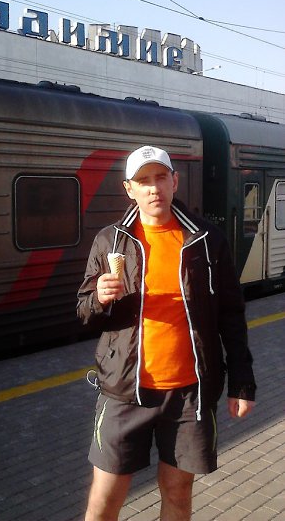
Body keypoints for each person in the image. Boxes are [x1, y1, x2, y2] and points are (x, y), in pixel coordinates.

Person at [77, 145, 256, 521]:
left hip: (189, 394)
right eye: (143, 180)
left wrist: (241, 381)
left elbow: (231, 314)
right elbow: (84, 313)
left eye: (161, 177)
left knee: (177, 491)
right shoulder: (111, 241)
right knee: (105, 499)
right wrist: (98, 299)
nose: (153, 187)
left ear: (175, 182)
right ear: (129, 189)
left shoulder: (206, 239)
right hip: (124, 390)